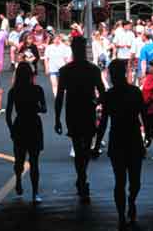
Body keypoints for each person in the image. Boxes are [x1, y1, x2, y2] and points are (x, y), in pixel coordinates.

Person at [93, 59, 146, 229]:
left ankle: (122, 213)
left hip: (117, 139)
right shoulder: (135, 92)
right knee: (135, 180)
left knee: (120, 180)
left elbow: (103, 123)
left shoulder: (109, 95)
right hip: (133, 138)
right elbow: (143, 114)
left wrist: (96, 145)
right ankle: (130, 203)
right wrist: (148, 135)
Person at [55, 36, 106, 203]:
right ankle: (82, 177)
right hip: (87, 110)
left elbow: (60, 96)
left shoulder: (65, 70)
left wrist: (57, 118)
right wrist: (96, 102)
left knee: (78, 146)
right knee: (85, 147)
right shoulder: (92, 69)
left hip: (73, 111)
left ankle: (82, 177)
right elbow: (102, 91)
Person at [6, 62, 47, 204]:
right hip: (34, 124)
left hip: (20, 124)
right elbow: (44, 109)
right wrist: (36, 108)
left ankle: (18, 180)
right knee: (34, 162)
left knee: (19, 158)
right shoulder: (38, 90)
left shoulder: (13, 91)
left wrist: (11, 129)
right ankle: (35, 193)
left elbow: (8, 114)